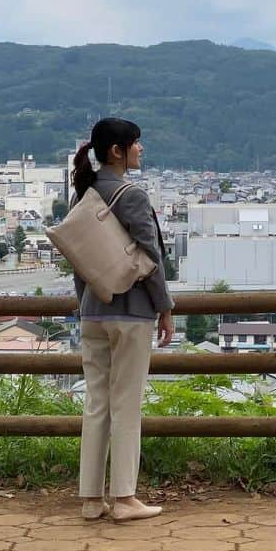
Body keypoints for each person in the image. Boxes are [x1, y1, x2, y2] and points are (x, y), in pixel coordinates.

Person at [71, 117, 175, 522]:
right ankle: (126, 498)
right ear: (117, 151)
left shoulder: (84, 193)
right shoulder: (130, 195)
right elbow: (151, 259)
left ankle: (91, 499)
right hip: (130, 313)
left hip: (93, 311)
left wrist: (87, 303)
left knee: (96, 404)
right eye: (136, 143)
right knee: (126, 405)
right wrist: (164, 307)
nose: (141, 149)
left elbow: (79, 261)